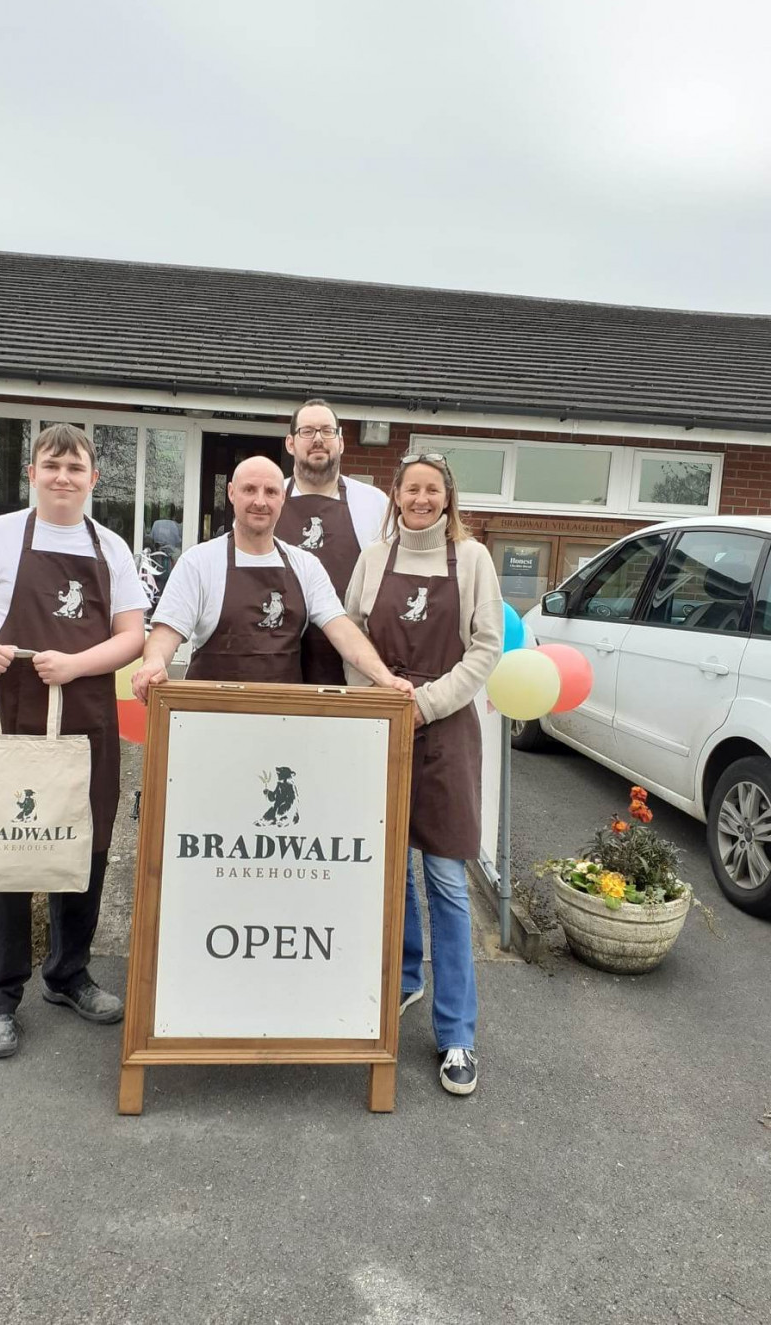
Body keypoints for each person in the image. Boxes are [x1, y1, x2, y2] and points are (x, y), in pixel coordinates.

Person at [0, 424, 148, 1060]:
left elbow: (132, 635)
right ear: (32, 473)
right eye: (51, 466)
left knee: (85, 847)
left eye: (75, 467)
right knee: (7, 852)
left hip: (87, 715)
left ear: (93, 479)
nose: (63, 477)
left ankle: (68, 975)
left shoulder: (110, 547)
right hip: (14, 714)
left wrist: (77, 664)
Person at [344, 452, 503, 1096]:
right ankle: (405, 979)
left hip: (446, 731)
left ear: (447, 498)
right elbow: (350, 633)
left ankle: (457, 1033)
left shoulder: (472, 561)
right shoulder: (372, 559)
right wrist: (381, 700)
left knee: (445, 879)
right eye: (411, 488)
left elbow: (487, 648)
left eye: (431, 490)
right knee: (386, 870)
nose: (420, 499)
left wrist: (426, 703)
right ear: (396, 494)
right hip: (380, 726)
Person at [132, 455, 414, 698]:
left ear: (283, 497)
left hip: (282, 720)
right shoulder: (199, 561)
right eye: (249, 490)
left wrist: (384, 678)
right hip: (209, 717)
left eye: (270, 492)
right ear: (231, 493)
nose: (260, 501)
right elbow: (167, 631)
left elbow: (343, 631)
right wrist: (154, 663)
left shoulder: (305, 565)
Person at [275, 398, 388, 685]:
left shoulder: (373, 503)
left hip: (350, 662)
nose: (318, 440)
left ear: (340, 441)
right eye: (307, 431)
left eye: (327, 431)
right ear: (291, 443)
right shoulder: (268, 501)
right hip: (277, 658)